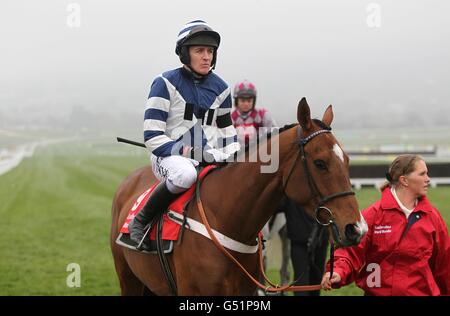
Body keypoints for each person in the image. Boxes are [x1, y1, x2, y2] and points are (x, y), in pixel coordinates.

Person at [128, 20, 240, 249]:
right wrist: (191, 152)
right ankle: (140, 222)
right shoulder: (164, 83)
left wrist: (234, 159)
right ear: (184, 53)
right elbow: (152, 135)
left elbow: (228, 135)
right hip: (169, 158)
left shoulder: (223, 89)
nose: (206, 56)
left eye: (210, 51)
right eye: (199, 50)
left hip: (210, 157)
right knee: (186, 175)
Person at [321, 154, 450, 296]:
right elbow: (350, 252)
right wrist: (338, 271)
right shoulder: (373, 215)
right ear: (404, 180)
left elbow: (444, 266)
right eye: (422, 174)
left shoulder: (433, 217)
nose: (428, 179)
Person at [283, 198, 329, 296]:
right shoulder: (291, 191)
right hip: (299, 242)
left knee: (316, 282)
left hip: (320, 239)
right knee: (301, 284)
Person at [231, 80, 276, 146]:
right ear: (236, 101)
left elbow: (274, 135)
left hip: (259, 152)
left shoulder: (263, 115)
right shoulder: (230, 116)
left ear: (254, 101)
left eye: (249, 101)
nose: (246, 104)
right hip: (236, 153)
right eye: (243, 101)